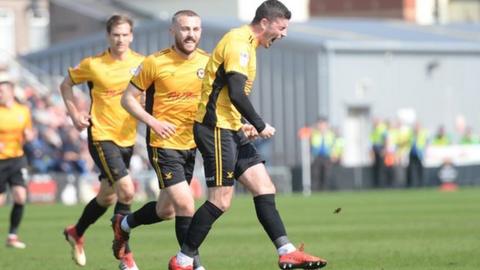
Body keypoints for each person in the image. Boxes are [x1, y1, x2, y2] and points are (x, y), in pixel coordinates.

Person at [168, 1, 327, 269]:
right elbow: (236, 91)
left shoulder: (248, 44)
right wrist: (259, 123)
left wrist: (242, 123)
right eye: (282, 27)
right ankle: (183, 261)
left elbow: (225, 94)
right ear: (265, 23)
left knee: (265, 187)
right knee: (220, 200)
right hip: (214, 129)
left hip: (229, 127)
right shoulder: (239, 43)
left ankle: (286, 250)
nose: (284, 33)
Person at [111, 10, 208, 270]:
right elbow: (127, 99)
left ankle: (123, 224)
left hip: (191, 145)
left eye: (196, 29)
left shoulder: (207, 63)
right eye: (185, 29)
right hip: (163, 145)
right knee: (187, 203)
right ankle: (191, 265)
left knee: (166, 210)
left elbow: (215, 103)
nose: (191, 34)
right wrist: (153, 122)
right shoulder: (155, 62)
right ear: (172, 31)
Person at [59, 14, 144, 270]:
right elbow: (66, 85)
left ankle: (76, 231)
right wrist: (75, 114)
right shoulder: (93, 64)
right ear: (108, 36)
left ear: (131, 35)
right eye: (115, 34)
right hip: (101, 136)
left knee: (107, 196)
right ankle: (125, 256)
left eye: (124, 34)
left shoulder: (141, 63)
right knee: (127, 190)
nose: (120, 39)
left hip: (128, 138)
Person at [0, 73, 33, 249]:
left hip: (17, 158)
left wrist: (28, 136)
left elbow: (28, 132)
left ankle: (12, 236)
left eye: (2, 91)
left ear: (11, 92)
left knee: (20, 196)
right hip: (0, 161)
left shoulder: (23, 111)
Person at [310, 117, 335, 191]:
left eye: (323, 124)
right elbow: (312, 144)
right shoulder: (314, 133)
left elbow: (334, 145)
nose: (321, 126)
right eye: (320, 124)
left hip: (327, 156)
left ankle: (325, 190)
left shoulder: (330, 134)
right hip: (317, 156)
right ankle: (315, 190)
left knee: (327, 174)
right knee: (316, 174)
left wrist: (334, 154)